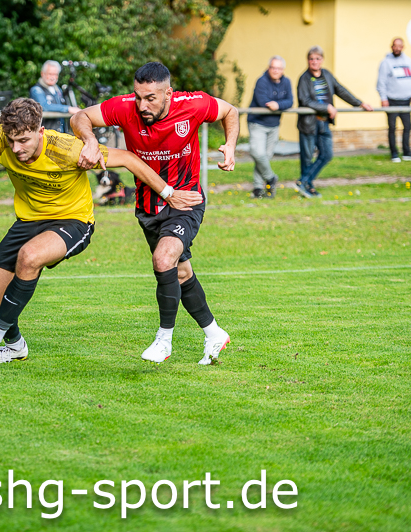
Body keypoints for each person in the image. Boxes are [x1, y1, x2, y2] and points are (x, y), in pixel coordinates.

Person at [0, 98, 202, 363]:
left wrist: (168, 193)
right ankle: (14, 346)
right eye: (12, 141)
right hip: (28, 221)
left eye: (24, 140)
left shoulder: (66, 149)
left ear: (40, 131)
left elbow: (128, 158)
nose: (16, 149)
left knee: (29, 258)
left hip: (73, 221)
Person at [70, 61, 239, 366]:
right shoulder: (124, 108)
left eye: (150, 98)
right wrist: (90, 139)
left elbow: (230, 111)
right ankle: (214, 333)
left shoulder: (193, 104)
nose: (142, 105)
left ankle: (164, 340)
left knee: (163, 259)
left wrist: (230, 145)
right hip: (148, 207)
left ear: (168, 93)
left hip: (185, 201)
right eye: (138, 97)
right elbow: (79, 116)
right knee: (179, 272)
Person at [297, 46, 373, 198]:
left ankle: (303, 182)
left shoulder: (327, 75)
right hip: (309, 124)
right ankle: (308, 187)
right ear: (308, 60)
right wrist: (326, 107)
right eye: (311, 59)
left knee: (327, 154)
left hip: (324, 122)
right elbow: (305, 100)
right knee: (307, 158)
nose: (314, 61)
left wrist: (359, 103)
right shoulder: (304, 78)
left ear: (322, 60)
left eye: (317, 58)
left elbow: (341, 90)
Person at [247, 56, 293, 198]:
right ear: (269, 68)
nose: (275, 70)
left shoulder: (286, 82)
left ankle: (257, 189)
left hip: (274, 125)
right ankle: (271, 177)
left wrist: (278, 105)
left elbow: (290, 101)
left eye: (278, 68)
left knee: (265, 157)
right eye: (273, 67)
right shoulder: (261, 81)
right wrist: (278, 104)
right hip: (257, 123)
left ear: (283, 70)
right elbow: (263, 101)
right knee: (258, 153)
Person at [377, 38, 411, 162]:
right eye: (395, 46)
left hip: (406, 100)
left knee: (407, 127)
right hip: (392, 100)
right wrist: (383, 98)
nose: (397, 48)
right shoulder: (386, 62)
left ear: (403, 47)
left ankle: (406, 151)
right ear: (392, 46)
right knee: (392, 128)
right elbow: (381, 82)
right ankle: (394, 153)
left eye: (399, 46)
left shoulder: (408, 61)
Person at [29, 61, 80, 133]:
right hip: (45, 134)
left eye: (55, 74)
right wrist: (68, 109)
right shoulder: (36, 90)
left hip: (60, 133)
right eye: (50, 74)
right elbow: (44, 106)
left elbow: (60, 105)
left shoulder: (57, 89)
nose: (53, 77)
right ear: (42, 74)